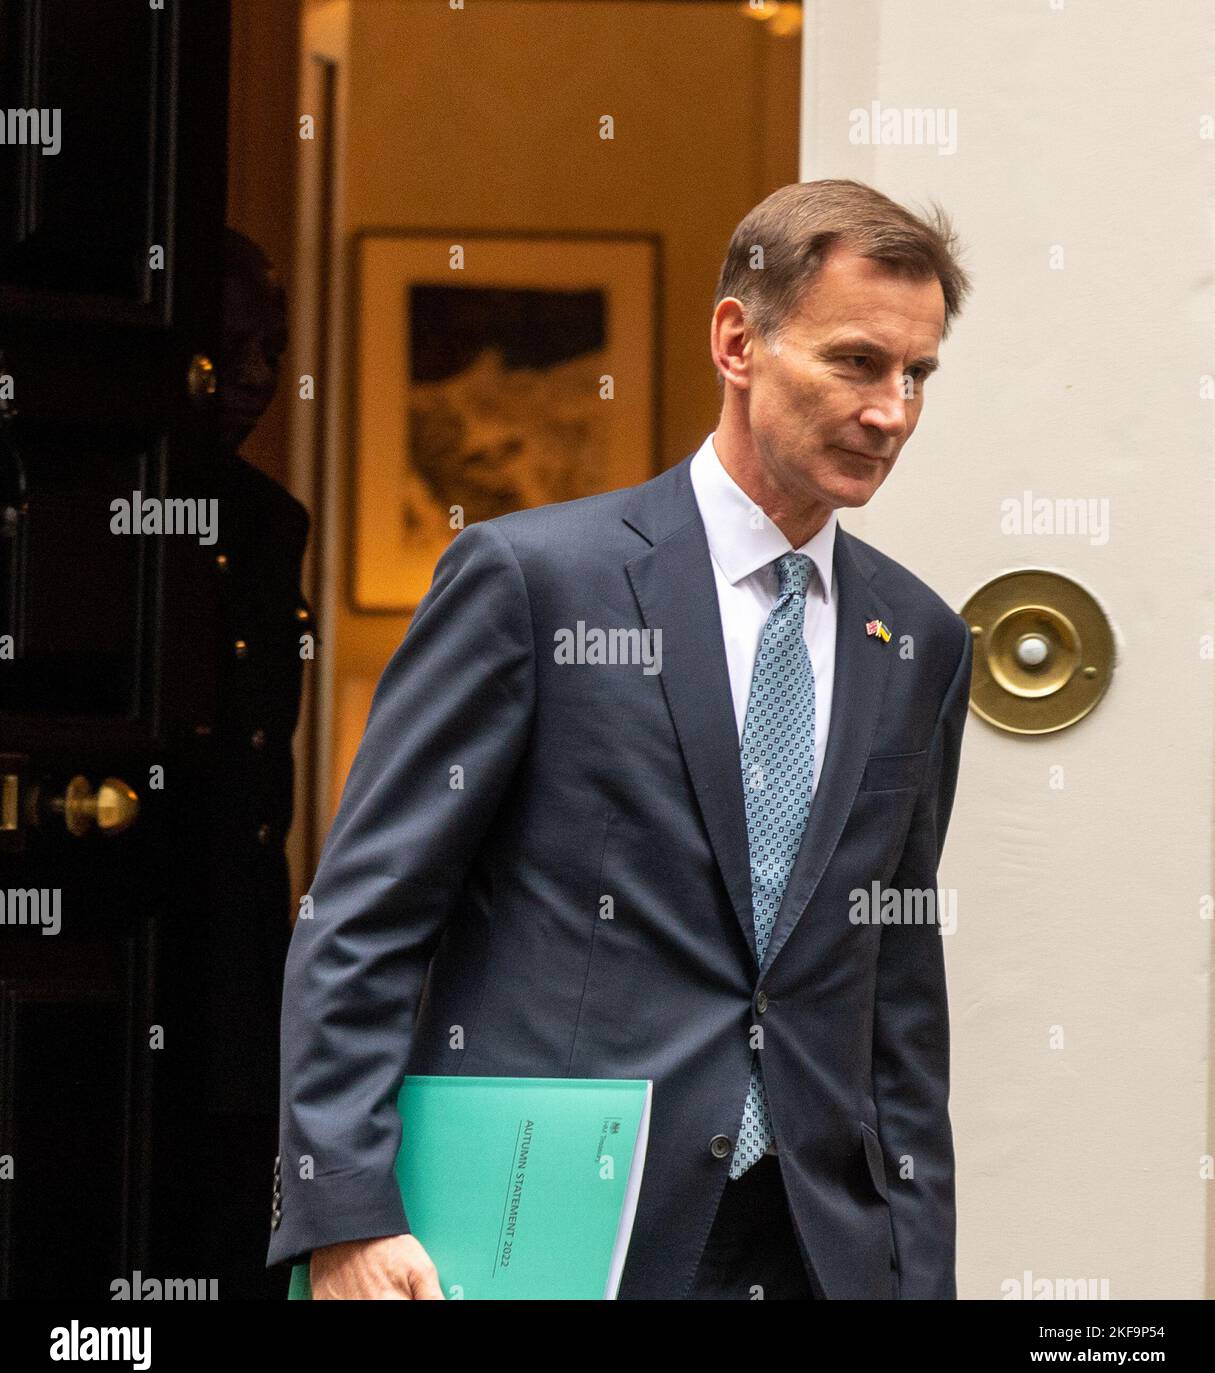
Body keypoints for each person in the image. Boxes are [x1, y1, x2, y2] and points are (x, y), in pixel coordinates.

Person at [268, 180, 974, 1300]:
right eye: (856, 363)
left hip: (818, 1253)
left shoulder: (922, 639)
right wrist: (347, 1207)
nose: (892, 410)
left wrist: (918, 1270)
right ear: (737, 340)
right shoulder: (534, 582)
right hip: (557, 1235)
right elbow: (364, 915)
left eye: (916, 374)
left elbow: (898, 994)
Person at [183, 227, 312, 1298]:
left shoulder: (272, 523)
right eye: (229, 347)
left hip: (237, 948)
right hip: (119, 929)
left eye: (270, 347)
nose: (256, 377)